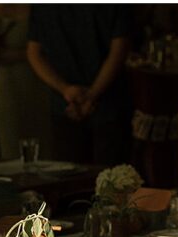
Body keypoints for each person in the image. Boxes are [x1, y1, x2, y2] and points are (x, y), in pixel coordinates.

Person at [26, 6, 132, 165]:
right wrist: (91, 94)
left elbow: (34, 53)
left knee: (70, 178)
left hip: (67, 104)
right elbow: (119, 50)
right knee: (111, 178)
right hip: (107, 102)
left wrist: (66, 90)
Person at [0, 4, 52, 160]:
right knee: (16, 148)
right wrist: (31, 55)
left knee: (49, 149)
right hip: (14, 87)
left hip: (48, 86)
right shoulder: (4, 8)